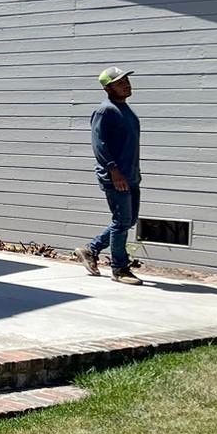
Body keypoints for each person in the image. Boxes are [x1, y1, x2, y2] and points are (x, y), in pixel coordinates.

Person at [75, 67, 142, 284]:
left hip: (130, 175)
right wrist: (114, 171)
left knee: (127, 220)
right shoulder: (105, 111)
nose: (126, 84)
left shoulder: (126, 110)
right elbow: (99, 145)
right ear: (107, 88)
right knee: (122, 221)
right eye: (119, 82)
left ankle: (90, 249)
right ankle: (119, 269)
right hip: (115, 176)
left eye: (126, 80)